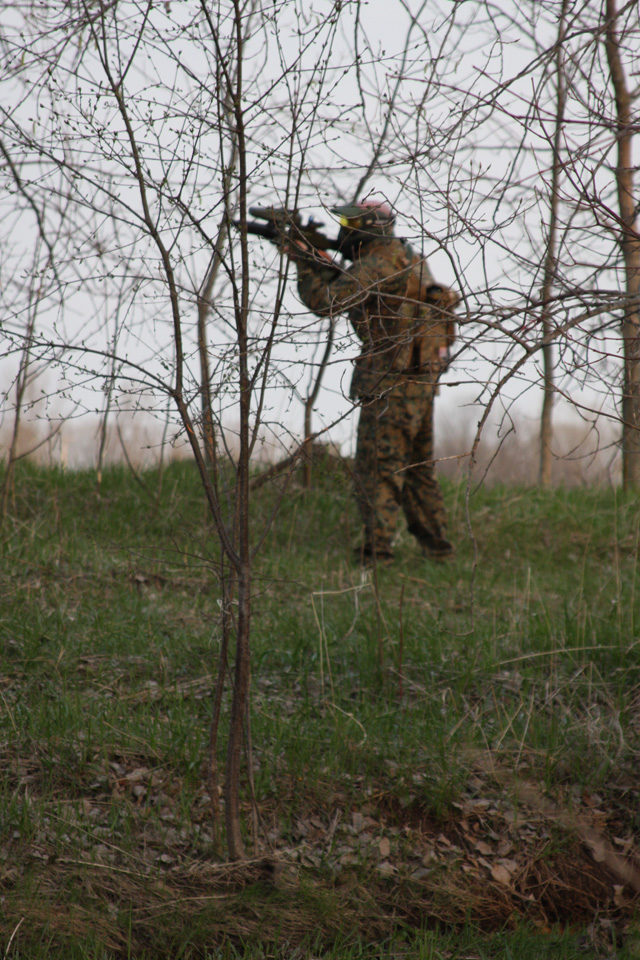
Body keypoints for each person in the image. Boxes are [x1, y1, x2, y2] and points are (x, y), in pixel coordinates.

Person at [285, 200, 459, 566]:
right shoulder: (406, 256)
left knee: (379, 468)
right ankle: (438, 551)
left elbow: (327, 301)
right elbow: (355, 288)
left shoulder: (380, 262)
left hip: (391, 383)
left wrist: (303, 261)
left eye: (350, 223)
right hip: (417, 381)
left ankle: (376, 555)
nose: (345, 230)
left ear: (368, 230)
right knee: (415, 468)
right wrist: (318, 257)